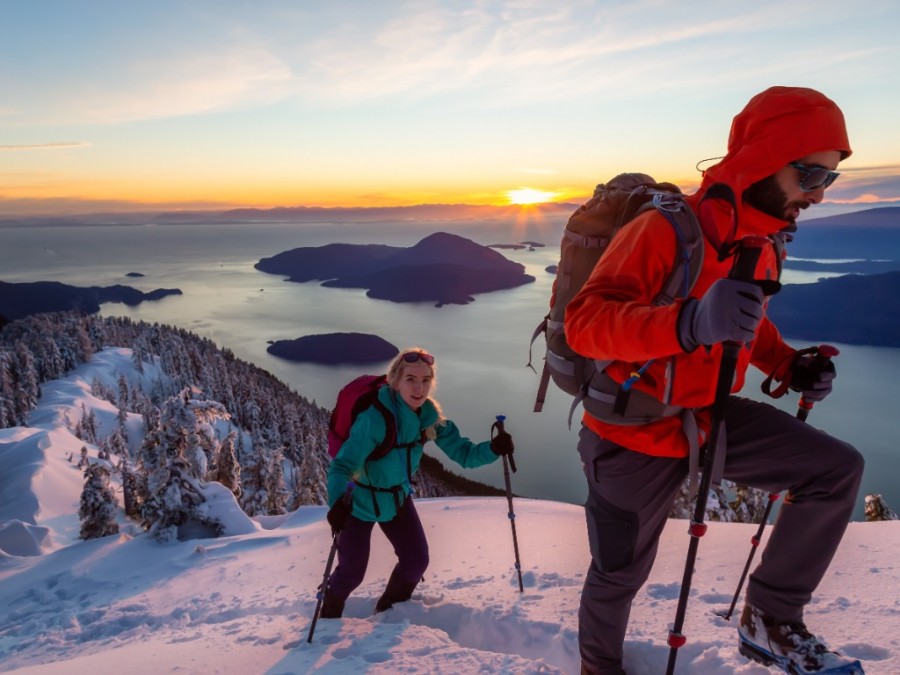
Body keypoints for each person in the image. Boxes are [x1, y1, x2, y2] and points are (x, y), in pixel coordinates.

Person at [565, 86, 865, 674]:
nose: (817, 195)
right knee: (619, 573)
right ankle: (598, 668)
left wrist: (787, 363)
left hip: (707, 417)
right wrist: (687, 322)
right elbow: (586, 324)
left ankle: (770, 620)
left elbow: (746, 325)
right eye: (808, 173)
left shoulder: (763, 239)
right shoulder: (664, 230)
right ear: (765, 156)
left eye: (827, 180)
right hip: (631, 432)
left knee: (835, 470)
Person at [321, 347, 515, 618]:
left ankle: (387, 613)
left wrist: (493, 449)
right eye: (411, 379)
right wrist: (337, 504)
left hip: (397, 499)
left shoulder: (429, 418)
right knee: (351, 573)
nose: (418, 388)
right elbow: (342, 465)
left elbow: (465, 454)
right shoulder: (375, 419)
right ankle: (329, 610)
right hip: (358, 503)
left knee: (416, 562)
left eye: (425, 380)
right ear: (395, 380)